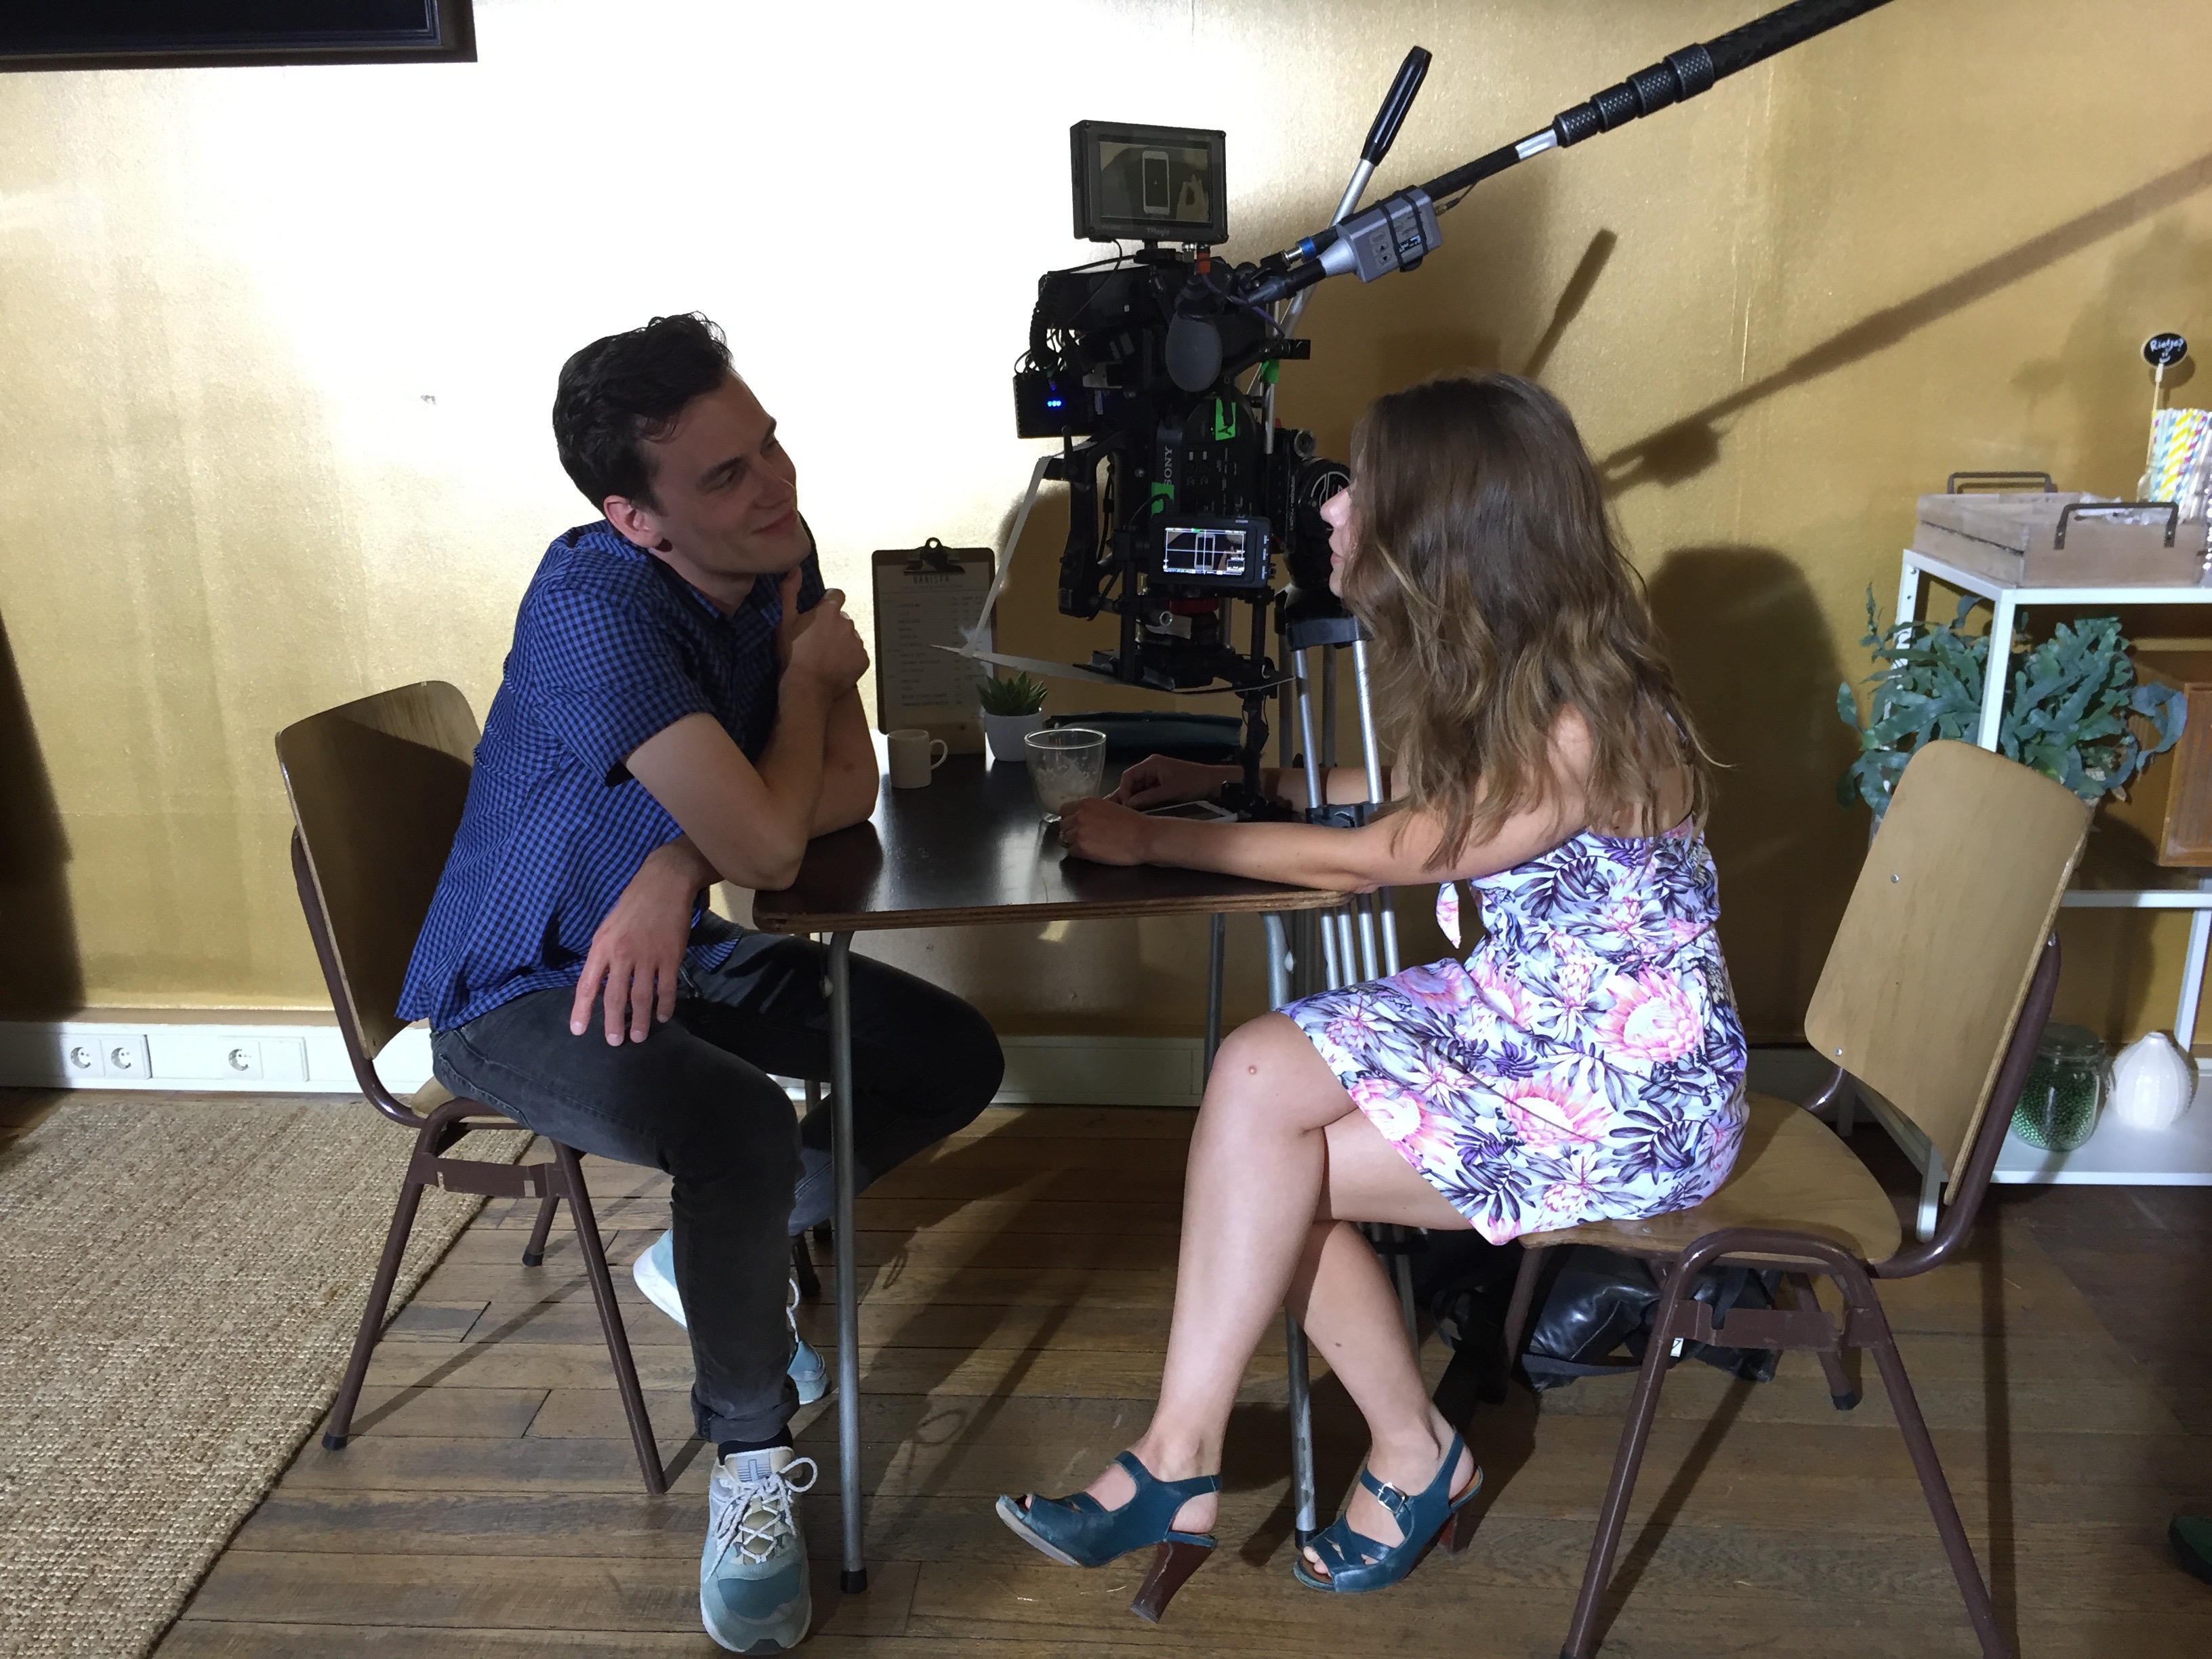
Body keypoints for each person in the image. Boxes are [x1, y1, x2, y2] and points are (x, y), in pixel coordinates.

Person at [994, 372, 1746, 1616]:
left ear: (1443, 531)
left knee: (1263, 1181)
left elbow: (1389, 856)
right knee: (1254, 1076)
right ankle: (1195, 1456)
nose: (1335, 509)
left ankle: (1365, 1453)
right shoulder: (1538, 674)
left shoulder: (1580, 725)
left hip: (1627, 1093)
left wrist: (1159, 841)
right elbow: (1430, 801)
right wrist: (1253, 782)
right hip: (1531, 1021)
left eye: (1363, 489)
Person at [398, 313, 1004, 1654]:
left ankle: (711, 1248)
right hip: (515, 980)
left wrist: (678, 861)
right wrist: (803, 695)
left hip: (677, 940)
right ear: (637, 519)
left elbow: (842, 795)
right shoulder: (596, 614)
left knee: (947, 1055)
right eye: (726, 475)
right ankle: (750, 1460)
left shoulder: (779, 548)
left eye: (769, 445)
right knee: (734, 1122)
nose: (774, 486)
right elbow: (779, 841)